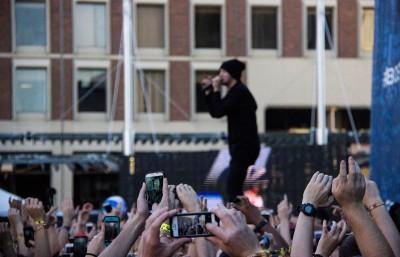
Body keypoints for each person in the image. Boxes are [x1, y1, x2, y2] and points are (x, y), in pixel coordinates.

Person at [201, 59, 260, 202]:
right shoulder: (235, 92)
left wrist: (215, 89)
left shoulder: (239, 92)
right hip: (240, 147)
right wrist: (209, 92)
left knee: (232, 189)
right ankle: (242, 216)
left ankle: (243, 217)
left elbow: (220, 110)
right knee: (234, 188)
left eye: (223, 72)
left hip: (244, 147)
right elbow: (215, 112)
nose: (219, 75)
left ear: (232, 74)